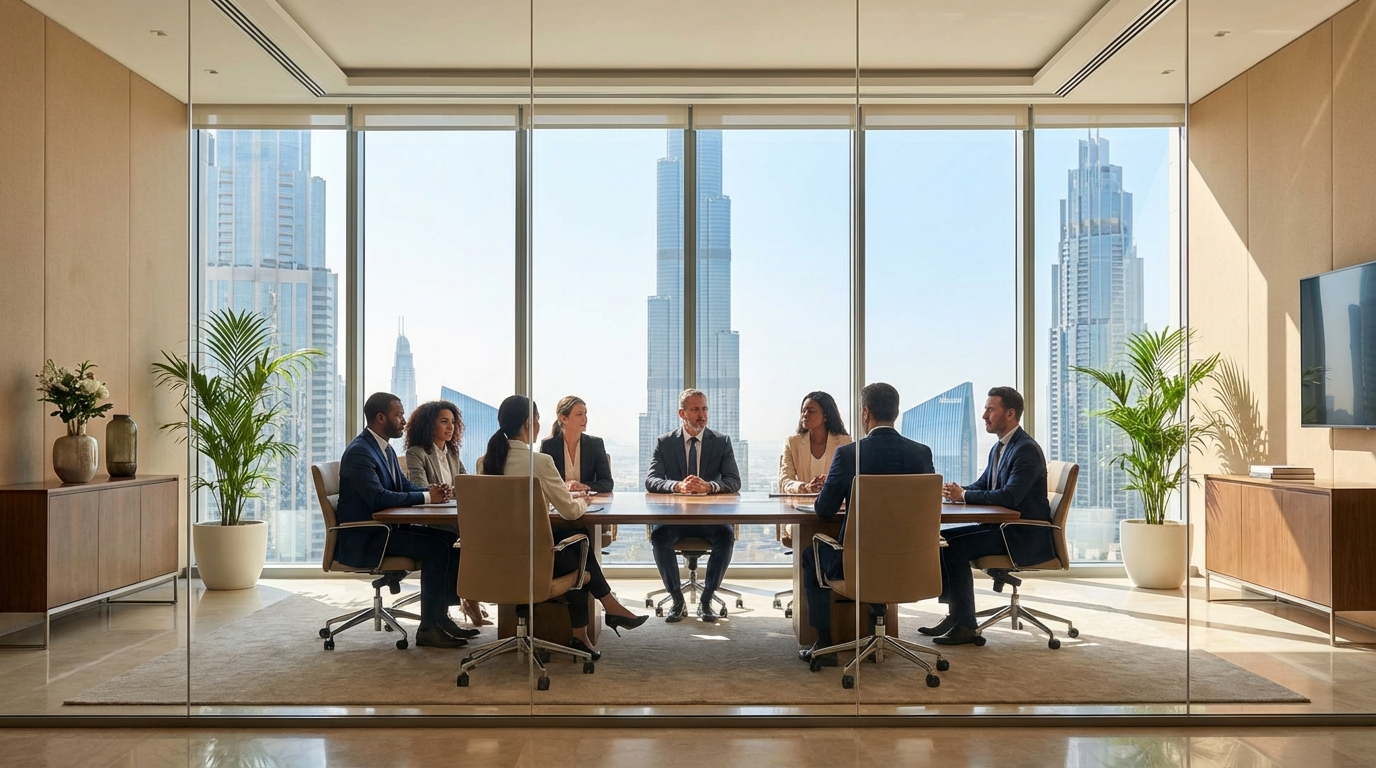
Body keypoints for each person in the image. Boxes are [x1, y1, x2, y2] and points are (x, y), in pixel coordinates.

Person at [477, 395, 647, 660]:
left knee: (574, 542)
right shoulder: (540, 462)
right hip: (533, 559)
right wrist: (584, 501)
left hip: (494, 559)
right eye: (536, 421)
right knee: (579, 548)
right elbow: (569, 511)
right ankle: (600, 616)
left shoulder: (488, 462)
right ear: (528, 424)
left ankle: (594, 624)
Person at [798, 382, 934, 666]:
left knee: (812, 557)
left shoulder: (849, 454)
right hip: (912, 564)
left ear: (865, 413)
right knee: (879, 557)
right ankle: (878, 634)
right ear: (896, 412)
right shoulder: (921, 453)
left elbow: (824, 510)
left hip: (859, 565)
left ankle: (826, 646)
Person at [334, 392, 478, 649]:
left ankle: (441, 619)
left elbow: (402, 486)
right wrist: (425, 497)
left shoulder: (383, 449)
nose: (403, 420)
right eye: (398, 415)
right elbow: (378, 498)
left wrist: (431, 493)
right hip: (368, 537)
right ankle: (428, 628)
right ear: (381, 418)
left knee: (449, 539)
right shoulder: (360, 453)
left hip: (386, 531)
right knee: (436, 548)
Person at [923, 386, 1056, 646]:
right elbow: (984, 485)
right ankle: (956, 616)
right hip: (1004, 529)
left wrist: (964, 496)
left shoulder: (1026, 449)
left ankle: (965, 624)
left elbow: (1009, 497)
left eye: (990, 409)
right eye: (985, 409)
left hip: (1022, 535)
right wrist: (958, 492)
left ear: (1010, 413)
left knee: (953, 547)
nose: (984, 416)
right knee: (941, 541)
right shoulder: (1001, 448)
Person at [644, 389, 743, 623]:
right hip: (675, 518)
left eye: (705, 409)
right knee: (660, 538)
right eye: (696, 409)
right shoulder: (665, 442)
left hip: (709, 519)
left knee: (725, 537)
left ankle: (707, 599)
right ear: (682, 413)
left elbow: (734, 480)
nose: (702, 415)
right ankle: (677, 600)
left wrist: (709, 486)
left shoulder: (721, 442)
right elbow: (651, 480)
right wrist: (678, 486)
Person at [404, 399, 490, 628]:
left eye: (453, 422)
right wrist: (450, 492)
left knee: (484, 535)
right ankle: (468, 596)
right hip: (431, 522)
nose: (450, 427)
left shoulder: (452, 452)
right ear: (428, 424)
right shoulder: (417, 453)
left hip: (452, 517)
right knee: (472, 538)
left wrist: (450, 491)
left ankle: (470, 594)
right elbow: (422, 488)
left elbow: (466, 484)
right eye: (444, 421)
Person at [779, 391, 852, 494]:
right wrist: (805, 487)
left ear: (825, 415)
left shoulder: (844, 442)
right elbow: (785, 481)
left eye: (811, 411)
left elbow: (849, 479)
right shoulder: (792, 443)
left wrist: (831, 482)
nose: (805, 415)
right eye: (803, 411)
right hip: (800, 505)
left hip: (833, 505)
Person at [538, 395, 614, 494]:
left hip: (588, 502)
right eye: (579, 414)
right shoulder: (548, 446)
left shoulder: (595, 444)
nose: (585, 419)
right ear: (563, 418)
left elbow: (607, 483)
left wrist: (584, 486)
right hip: (559, 503)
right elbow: (542, 482)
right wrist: (563, 486)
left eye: (585, 414)